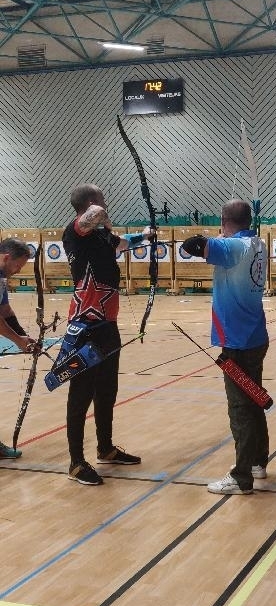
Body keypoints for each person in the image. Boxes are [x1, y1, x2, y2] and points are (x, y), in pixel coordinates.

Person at [62, 184, 153, 486]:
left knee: (107, 389)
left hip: (107, 325)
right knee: (80, 394)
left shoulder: (100, 235)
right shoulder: (75, 231)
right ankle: (76, 463)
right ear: (91, 202)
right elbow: (96, 214)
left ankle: (106, 449)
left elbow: (121, 243)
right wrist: (104, 215)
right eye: (102, 198)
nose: (106, 203)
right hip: (85, 325)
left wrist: (145, 236)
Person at [181, 199, 269, 495]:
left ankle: (242, 477)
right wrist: (221, 238)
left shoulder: (232, 247)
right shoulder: (257, 244)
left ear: (224, 220)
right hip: (255, 336)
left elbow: (191, 245)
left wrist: (216, 239)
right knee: (254, 398)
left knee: (240, 407)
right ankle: (257, 462)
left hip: (236, 341)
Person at [0, 238, 39, 459]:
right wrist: (17, 340)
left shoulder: (2, 277)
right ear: (6, 257)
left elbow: (5, 310)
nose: (18, 271)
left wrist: (24, 337)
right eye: (18, 265)